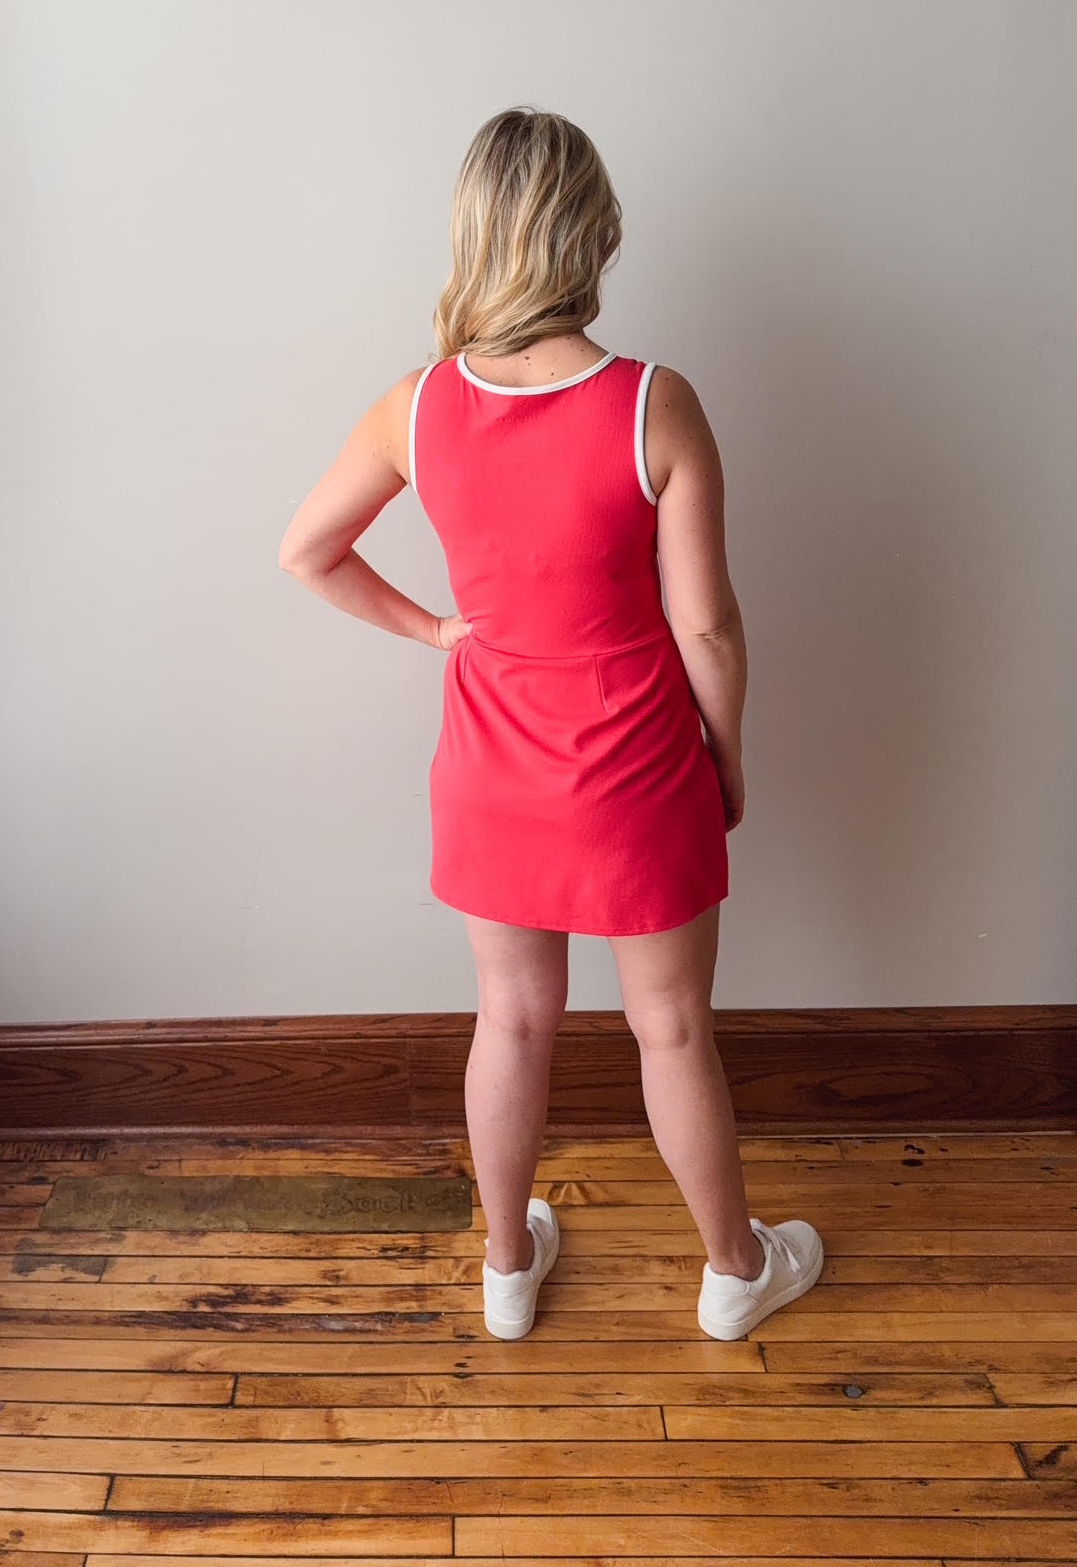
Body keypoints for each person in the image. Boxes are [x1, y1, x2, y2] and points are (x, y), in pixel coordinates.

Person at [278, 105, 823, 1343]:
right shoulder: (651, 403)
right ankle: (735, 1271)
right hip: (636, 771)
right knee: (671, 1025)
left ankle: (506, 1268)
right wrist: (724, 757)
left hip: (489, 768)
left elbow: (305, 551)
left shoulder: (414, 407)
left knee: (510, 1017)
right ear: (593, 233)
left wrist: (436, 636)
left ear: (475, 231)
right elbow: (711, 631)